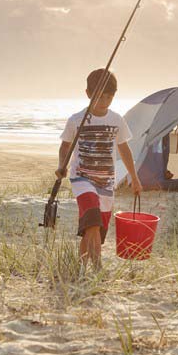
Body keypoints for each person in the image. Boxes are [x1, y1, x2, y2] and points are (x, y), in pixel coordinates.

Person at [56, 69, 143, 269]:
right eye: (99, 96)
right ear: (88, 93)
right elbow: (65, 146)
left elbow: (124, 149)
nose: (104, 101)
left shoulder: (116, 120)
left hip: (106, 181)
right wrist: (62, 166)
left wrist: (134, 178)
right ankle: (97, 268)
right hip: (82, 178)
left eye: (109, 97)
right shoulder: (76, 120)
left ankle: (80, 267)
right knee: (93, 221)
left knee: (93, 231)